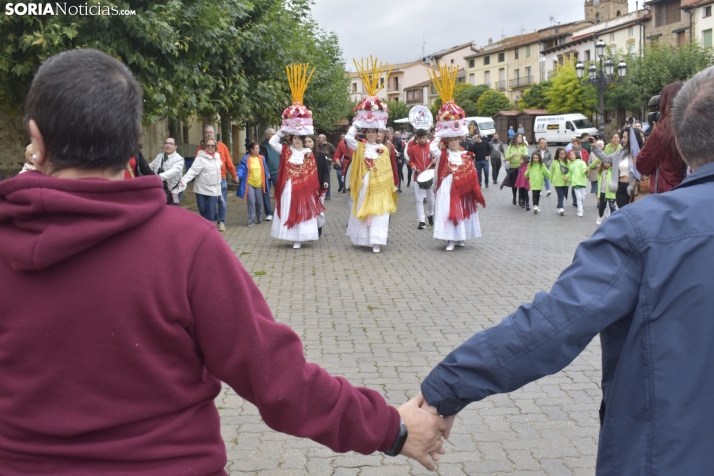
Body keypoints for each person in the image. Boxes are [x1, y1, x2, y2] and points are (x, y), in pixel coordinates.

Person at [0, 49, 450, 475]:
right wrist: (392, 427)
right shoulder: (185, 245)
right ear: (134, 141)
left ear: (35, 139)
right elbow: (278, 380)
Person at [419, 65, 714, 476]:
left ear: (679, 145)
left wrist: (444, 390)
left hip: (668, 454)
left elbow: (555, 324)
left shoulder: (644, 229)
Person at [428, 65, 485, 251]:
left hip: (461, 189)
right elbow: (432, 147)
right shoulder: (442, 153)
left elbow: (473, 173)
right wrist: (440, 132)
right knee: (447, 210)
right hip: (447, 187)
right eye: (449, 140)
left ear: (460, 138)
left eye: (455, 139)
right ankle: (449, 239)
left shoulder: (466, 155)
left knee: (461, 210)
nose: (452, 142)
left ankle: (460, 238)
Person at [269, 64, 325, 249]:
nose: (296, 141)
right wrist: (283, 129)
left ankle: (301, 238)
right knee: (287, 208)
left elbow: (312, 172)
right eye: (293, 138)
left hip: (304, 188)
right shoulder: (286, 151)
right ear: (291, 139)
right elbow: (272, 143)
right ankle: (291, 236)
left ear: (302, 139)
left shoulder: (308, 153)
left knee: (302, 209)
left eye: (299, 138)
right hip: (289, 186)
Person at [345, 59, 398, 253]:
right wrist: (358, 122)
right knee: (362, 208)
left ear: (379, 133)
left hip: (380, 187)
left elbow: (388, 170)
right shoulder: (360, 147)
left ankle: (377, 241)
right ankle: (364, 240)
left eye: (374, 132)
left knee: (379, 214)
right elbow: (349, 137)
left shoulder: (384, 150)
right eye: (368, 132)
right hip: (364, 184)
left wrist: (390, 185)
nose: (371, 135)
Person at [635, 82, 686, 193]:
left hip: (667, 194)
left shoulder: (662, 132)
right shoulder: (699, 126)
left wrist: (653, 135)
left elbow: (642, 165)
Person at [195, 125, 237, 231]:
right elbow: (195, 166)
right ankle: (208, 221)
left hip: (221, 178)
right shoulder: (200, 149)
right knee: (206, 205)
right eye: (206, 132)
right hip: (205, 181)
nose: (208, 134)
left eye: (210, 132)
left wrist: (234, 175)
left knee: (221, 201)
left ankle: (221, 221)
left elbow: (229, 162)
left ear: (214, 134)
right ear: (204, 134)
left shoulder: (222, 146)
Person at [591, 126, 642, 210]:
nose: (622, 140)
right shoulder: (620, 152)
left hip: (634, 188)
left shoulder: (640, 153)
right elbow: (605, 158)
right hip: (621, 188)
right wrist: (595, 147)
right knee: (624, 212)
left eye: (625, 137)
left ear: (631, 138)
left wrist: (640, 162)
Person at [179, 139, 223, 222]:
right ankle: (210, 221)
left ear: (215, 147)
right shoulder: (200, 158)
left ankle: (209, 231)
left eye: (212, 145)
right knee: (202, 210)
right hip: (201, 189)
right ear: (204, 146)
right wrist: (183, 180)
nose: (210, 147)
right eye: (208, 145)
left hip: (214, 189)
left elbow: (220, 165)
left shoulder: (217, 156)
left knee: (210, 212)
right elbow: (192, 171)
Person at [405, 129, 435, 229]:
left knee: (431, 200)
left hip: (430, 176)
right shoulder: (413, 149)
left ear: (426, 136)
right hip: (418, 176)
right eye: (419, 138)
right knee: (419, 199)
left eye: (423, 138)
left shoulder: (432, 147)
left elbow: (438, 158)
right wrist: (413, 166)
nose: (422, 140)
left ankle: (430, 214)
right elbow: (411, 161)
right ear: (416, 138)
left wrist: (435, 160)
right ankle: (421, 221)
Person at [236, 142, 270, 226]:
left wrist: (267, 173)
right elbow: (241, 169)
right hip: (249, 183)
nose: (259, 150)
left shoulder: (262, 158)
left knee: (259, 202)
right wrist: (238, 175)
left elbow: (265, 168)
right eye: (257, 148)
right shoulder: (246, 159)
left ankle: (259, 216)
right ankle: (251, 218)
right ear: (251, 150)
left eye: (259, 148)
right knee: (251, 200)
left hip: (259, 183)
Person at [149, 137, 185, 205]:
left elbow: (173, 172)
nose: (168, 145)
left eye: (171, 143)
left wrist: (159, 177)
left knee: (174, 210)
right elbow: (150, 166)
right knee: (162, 209)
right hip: (161, 189)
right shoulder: (159, 156)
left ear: (175, 147)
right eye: (166, 143)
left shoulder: (179, 159)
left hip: (175, 190)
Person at [259, 127, 280, 221]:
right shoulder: (263, 146)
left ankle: (280, 211)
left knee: (280, 192)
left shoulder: (279, 145)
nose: (274, 135)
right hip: (266, 173)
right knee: (265, 193)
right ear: (267, 136)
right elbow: (262, 160)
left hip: (277, 172)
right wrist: (265, 171)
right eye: (272, 134)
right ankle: (269, 213)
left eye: (275, 134)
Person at [504, 133, 528, 205]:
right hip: (512, 168)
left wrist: (523, 159)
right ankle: (514, 197)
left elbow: (526, 156)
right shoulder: (510, 147)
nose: (521, 139)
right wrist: (512, 155)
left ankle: (520, 199)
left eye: (521, 137)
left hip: (521, 168)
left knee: (521, 184)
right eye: (519, 137)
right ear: (515, 138)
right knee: (514, 184)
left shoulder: (524, 147)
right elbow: (506, 158)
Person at [595, 160, 617, 225]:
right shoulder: (601, 171)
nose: (606, 164)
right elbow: (599, 183)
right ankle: (600, 216)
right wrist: (598, 195)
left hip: (611, 192)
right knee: (602, 206)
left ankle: (613, 219)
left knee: (612, 207)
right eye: (605, 162)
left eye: (608, 162)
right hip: (602, 192)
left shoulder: (613, 171)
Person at [550, 147, 570, 216]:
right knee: (560, 195)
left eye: (563, 154)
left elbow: (570, 171)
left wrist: (567, 177)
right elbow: (552, 171)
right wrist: (551, 179)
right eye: (560, 154)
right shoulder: (555, 162)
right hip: (557, 182)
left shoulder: (568, 162)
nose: (562, 155)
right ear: (558, 154)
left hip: (565, 182)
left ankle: (558, 207)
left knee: (563, 195)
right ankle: (561, 208)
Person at [568, 150, 588, 217]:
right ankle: (580, 211)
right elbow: (570, 174)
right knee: (578, 197)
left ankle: (581, 208)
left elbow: (583, 170)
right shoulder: (571, 164)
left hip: (582, 182)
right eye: (570, 155)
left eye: (572, 154)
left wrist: (585, 171)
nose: (570, 156)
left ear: (576, 155)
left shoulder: (582, 162)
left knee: (582, 197)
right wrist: (567, 178)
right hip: (575, 182)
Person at [317, 134, 336, 200]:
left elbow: (335, 152)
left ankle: (328, 194)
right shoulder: (317, 145)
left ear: (323, 139)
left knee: (326, 179)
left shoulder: (329, 145)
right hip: (318, 164)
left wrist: (333, 160)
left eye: (319, 138)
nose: (318, 139)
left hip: (327, 164)